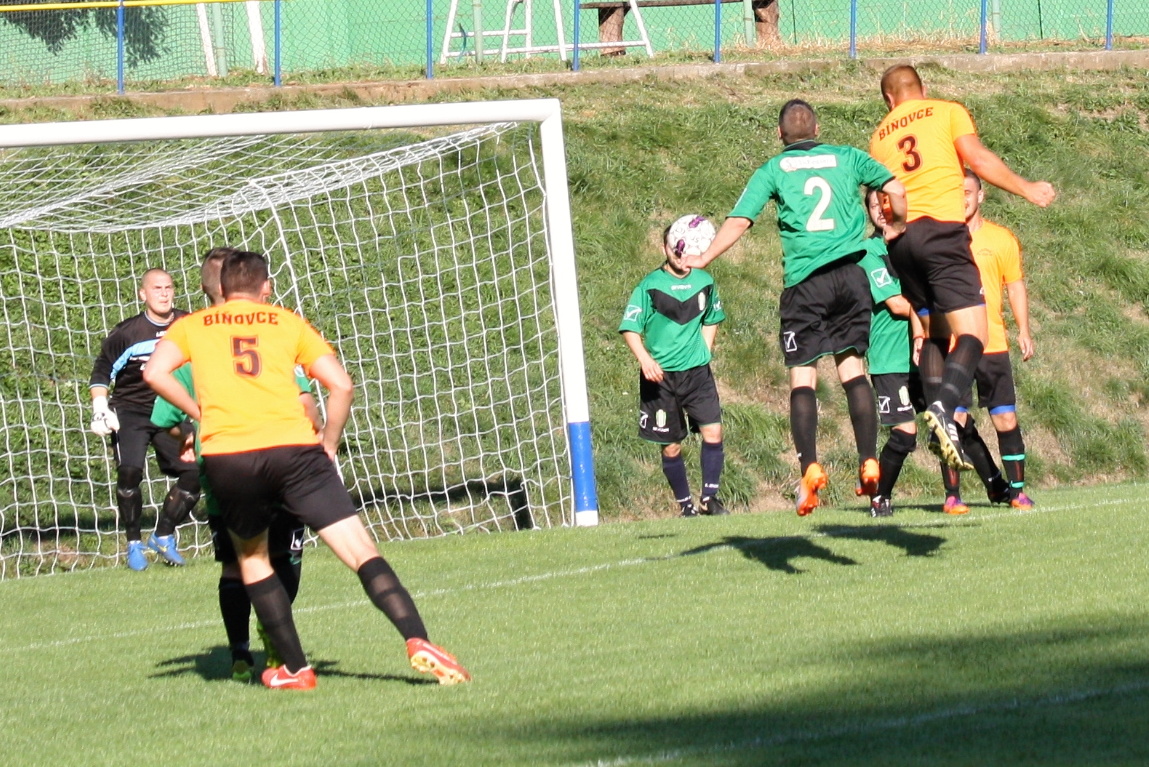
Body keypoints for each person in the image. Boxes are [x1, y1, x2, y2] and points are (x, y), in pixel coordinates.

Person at [144, 250, 469, 690]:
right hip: (297, 452)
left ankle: (297, 669)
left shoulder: (193, 326)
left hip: (231, 455)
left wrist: (200, 412)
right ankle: (417, 639)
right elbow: (342, 385)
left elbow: (155, 373)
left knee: (253, 559)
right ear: (266, 287)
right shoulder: (286, 322)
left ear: (221, 289)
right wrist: (329, 444)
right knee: (361, 552)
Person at [687, 99, 908, 516]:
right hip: (852, 276)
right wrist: (897, 227)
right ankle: (868, 458)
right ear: (818, 129)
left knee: (802, 378)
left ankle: (809, 468)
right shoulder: (848, 157)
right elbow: (895, 189)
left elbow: (740, 220)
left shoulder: (773, 169)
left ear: (779, 134)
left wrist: (705, 257)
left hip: (806, 284)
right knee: (852, 371)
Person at [869, 64, 1055, 474]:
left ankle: (942, 419)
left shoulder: (880, 136)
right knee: (974, 332)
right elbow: (978, 159)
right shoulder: (946, 110)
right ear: (923, 89)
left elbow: (885, 196)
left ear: (889, 100)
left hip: (901, 244)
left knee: (935, 330)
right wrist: (1026, 188)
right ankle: (943, 408)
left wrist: (894, 229)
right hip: (941, 233)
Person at [150, 248, 320, 682]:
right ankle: (278, 642)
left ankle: (240, 653)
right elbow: (305, 401)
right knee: (286, 555)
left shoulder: (189, 340)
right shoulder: (271, 331)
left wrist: (191, 429)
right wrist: (318, 439)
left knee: (237, 562)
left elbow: (164, 418)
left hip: (224, 468)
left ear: (207, 288)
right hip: (282, 460)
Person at [936, 170, 1036, 514]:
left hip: (992, 344)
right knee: (952, 421)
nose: (962, 198)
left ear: (980, 196)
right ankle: (952, 496)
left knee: (1005, 419)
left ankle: (1017, 492)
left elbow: (1015, 286)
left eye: (968, 191)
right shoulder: (942, 240)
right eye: (957, 192)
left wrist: (1024, 329)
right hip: (954, 346)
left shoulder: (1001, 238)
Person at [89, 268, 201, 571]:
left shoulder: (190, 325)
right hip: (131, 411)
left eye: (168, 288)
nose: (163, 294)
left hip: (171, 411)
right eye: (156, 288)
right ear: (143, 294)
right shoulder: (127, 333)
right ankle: (133, 544)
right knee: (129, 472)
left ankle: (163, 535)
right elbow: (102, 372)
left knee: (194, 473)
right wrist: (100, 407)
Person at [620, 220, 729, 518]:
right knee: (671, 446)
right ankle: (685, 507)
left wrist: (705, 349)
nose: (680, 255)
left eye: (686, 248)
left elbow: (712, 317)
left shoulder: (705, 281)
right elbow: (630, 327)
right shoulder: (650, 286)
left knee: (713, 431)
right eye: (674, 248)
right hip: (661, 379)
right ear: (664, 249)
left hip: (698, 374)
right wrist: (645, 360)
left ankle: (709, 498)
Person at [862, 189, 925, 518]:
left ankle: (957, 495)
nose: (880, 210)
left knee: (952, 423)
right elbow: (898, 305)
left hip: (926, 352)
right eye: (873, 205)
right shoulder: (868, 252)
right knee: (904, 434)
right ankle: (878, 497)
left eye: (884, 203)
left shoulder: (914, 246)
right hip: (890, 358)